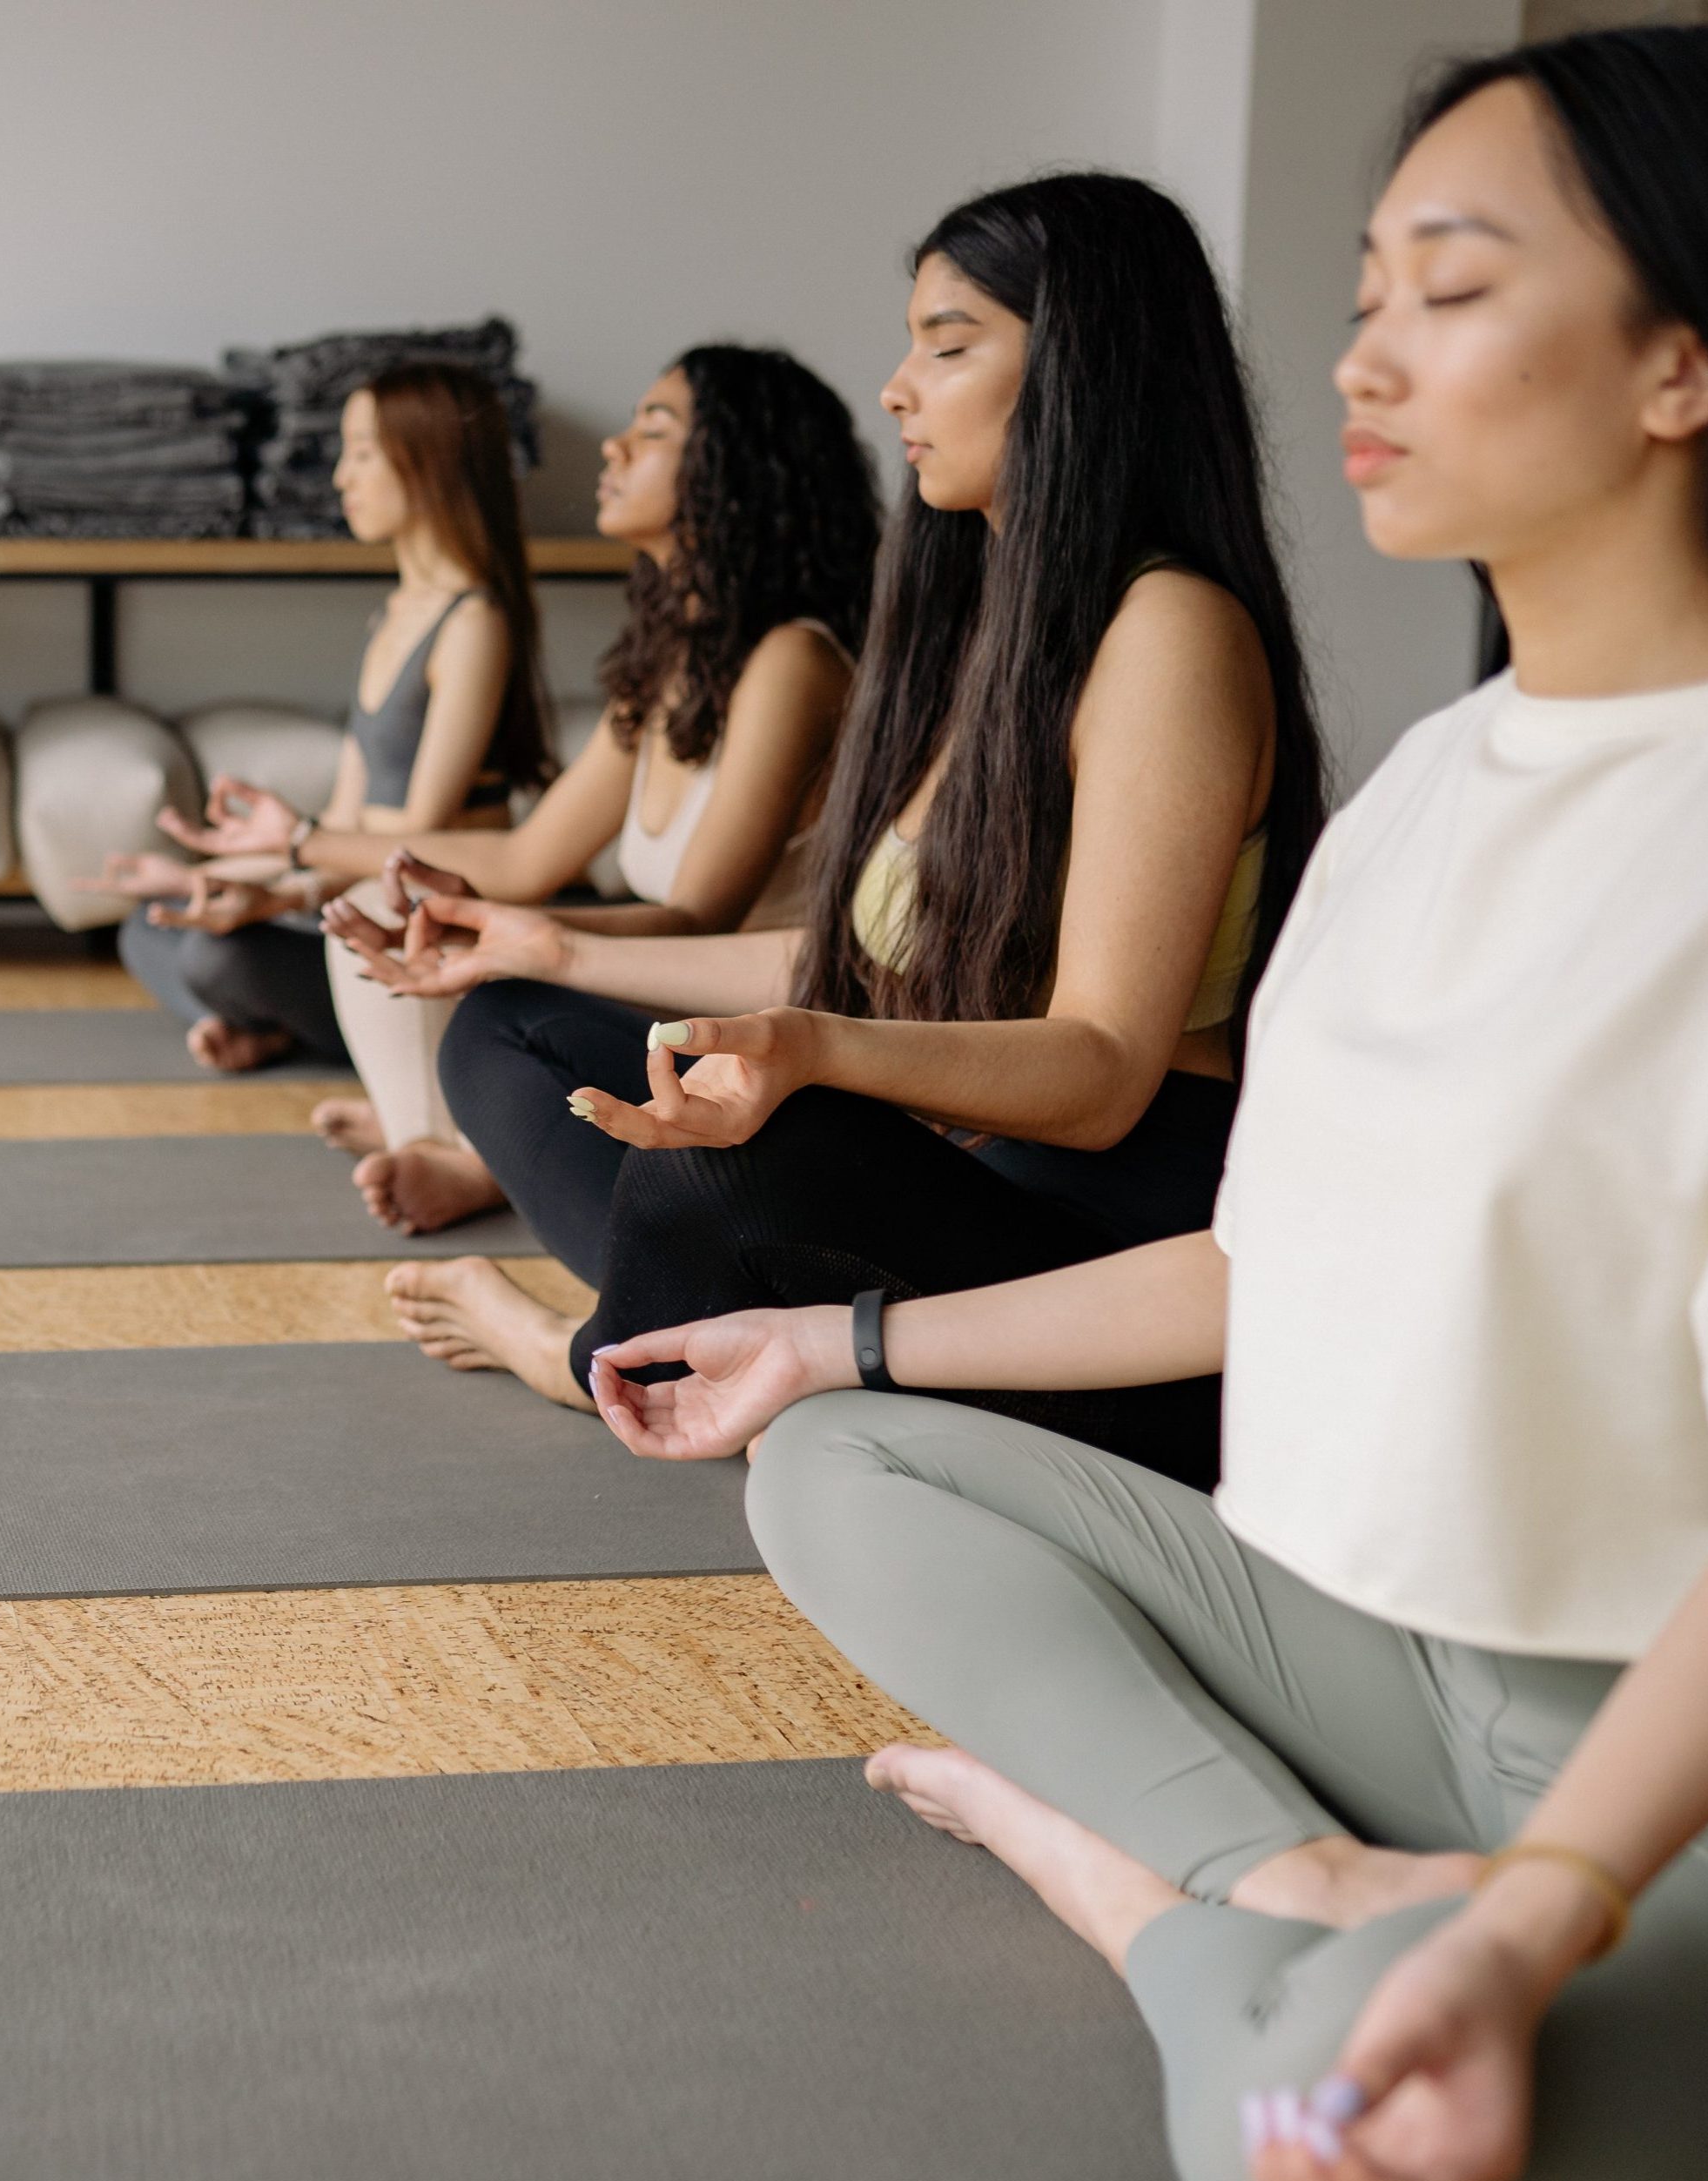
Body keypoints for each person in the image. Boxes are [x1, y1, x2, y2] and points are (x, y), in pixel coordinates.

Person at [592, 29, 1708, 2181]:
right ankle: (1282, 1865)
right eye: (1363, 290)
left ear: (1682, 367)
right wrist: (824, 1347)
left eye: (1453, 283)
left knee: (1327, 2149)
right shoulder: (1433, 785)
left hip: (1691, 1766)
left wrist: (1539, 1907)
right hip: (1406, 1657)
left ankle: (1132, 1888)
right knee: (834, 1452)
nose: (1368, 348)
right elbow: (1260, 1266)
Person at [331, 172, 1326, 1491]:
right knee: (510, 1026)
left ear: (1086, 365)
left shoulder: (1170, 634)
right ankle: (693, 1320)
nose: (896, 386)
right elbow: (832, 962)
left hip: (1108, 1239)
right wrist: (544, 943)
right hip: (963, 1169)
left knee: (733, 1166)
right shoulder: (984, 630)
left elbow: (1099, 1075)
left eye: (949, 343)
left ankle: (595, 1351)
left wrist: (813, 1056)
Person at [313, 344, 879, 1233]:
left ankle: (460, 1149)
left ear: (733, 470)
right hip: (663, 996)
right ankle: (454, 1140)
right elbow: (526, 854)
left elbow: (702, 920)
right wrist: (457, 910)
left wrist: (516, 940)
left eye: (651, 429)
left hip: (751, 1028)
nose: (612, 448)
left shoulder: (791, 660)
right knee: (403, 941)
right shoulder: (661, 665)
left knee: (495, 1016)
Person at [90, 360, 550, 1073]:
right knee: (144, 929)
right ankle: (274, 1025)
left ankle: (278, 1026)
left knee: (222, 956)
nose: (341, 477)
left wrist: (272, 893)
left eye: (363, 452)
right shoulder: (394, 614)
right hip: (350, 886)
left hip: (414, 921)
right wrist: (204, 875)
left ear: (430, 460)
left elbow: (415, 838)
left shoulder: (474, 623)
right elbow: (345, 816)